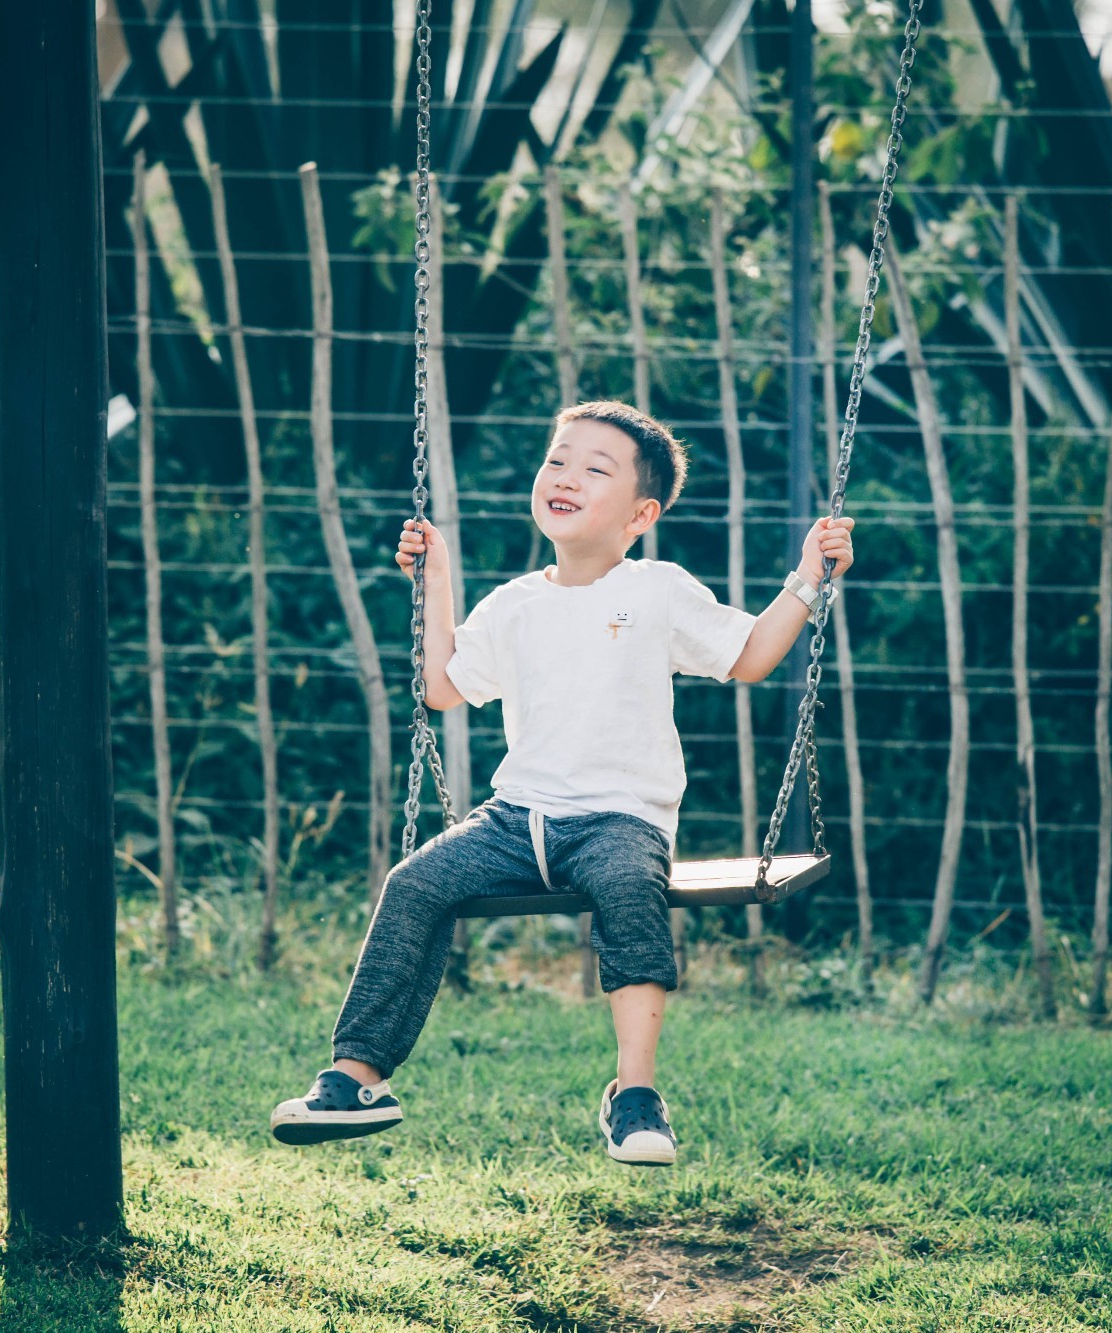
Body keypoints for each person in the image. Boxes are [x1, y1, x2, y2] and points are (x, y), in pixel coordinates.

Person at [271, 400, 856, 1166]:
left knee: (627, 888)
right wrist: (437, 577)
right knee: (414, 883)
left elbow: (748, 655)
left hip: (621, 819)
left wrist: (809, 579)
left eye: (595, 468)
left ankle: (636, 1094)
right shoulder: (515, 604)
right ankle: (357, 1077)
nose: (567, 477)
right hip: (515, 819)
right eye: (558, 460)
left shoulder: (656, 590)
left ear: (640, 513)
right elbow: (444, 686)